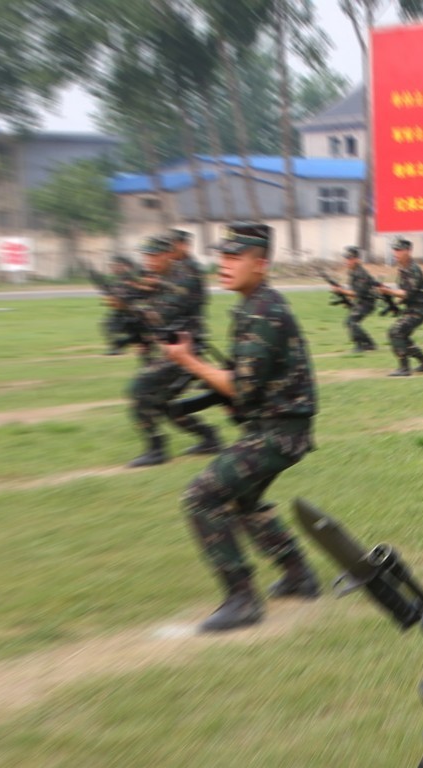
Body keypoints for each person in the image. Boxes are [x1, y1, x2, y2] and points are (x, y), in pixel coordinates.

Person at [160, 222, 321, 632]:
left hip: (278, 432)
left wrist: (188, 362)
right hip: (276, 428)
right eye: (223, 257)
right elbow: (243, 384)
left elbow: (242, 388)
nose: (225, 265)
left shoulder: (263, 312)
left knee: (201, 497)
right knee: (243, 501)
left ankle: (242, 598)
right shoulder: (254, 306)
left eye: (235, 258)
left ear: (261, 265)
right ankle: (299, 575)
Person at [125, 235, 221, 467]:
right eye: (146, 256)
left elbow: (160, 314)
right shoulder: (162, 278)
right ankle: (209, 437)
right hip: (172, 349)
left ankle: (156, 449)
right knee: (164, 404)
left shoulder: (182, 278)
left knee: (139, 391)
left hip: (186, 350)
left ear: (169, 254)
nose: (149, 261)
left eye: (154, 256)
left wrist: (129, 304)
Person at [381, 237, 423, 376]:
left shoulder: (413, 269)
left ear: (408, 251)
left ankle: (404, 367)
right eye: (394, 250)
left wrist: (388, 291)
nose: (395, 253)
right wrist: (390, 300)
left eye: (399, 250)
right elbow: (402, 295)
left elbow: (406, 293)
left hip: (417, 311)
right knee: (402, 337)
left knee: (395, 332)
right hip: (410, 310)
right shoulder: (402, 269)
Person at [330, 246, 378, 352]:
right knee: (350, 322)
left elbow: (357, 293)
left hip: (367, 302)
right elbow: (353, 291)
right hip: (361, 301)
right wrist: (344, 296)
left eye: (350, 258)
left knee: (351, 322)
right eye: (346, 258)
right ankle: (369, 344)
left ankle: (362, 345)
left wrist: (341, 291)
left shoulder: (361, 273)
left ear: (356, 259)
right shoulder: (352, 272)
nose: (347, 261)